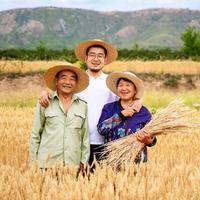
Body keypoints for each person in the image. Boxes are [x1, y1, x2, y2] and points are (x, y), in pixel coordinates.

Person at [39, 39, 142, 168]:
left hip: (107, 143)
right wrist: (45, 91)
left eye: (100, 56)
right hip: (78, 143)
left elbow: (129, 96)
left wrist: (139, 100)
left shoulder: (112, 83)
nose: (96, 59)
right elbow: (60, 92)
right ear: (86, 58)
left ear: (105, 59)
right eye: (92, 55)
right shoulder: (77, 82)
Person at [29, 62, 90, 172]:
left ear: (76, 83)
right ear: (57, 81)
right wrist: (33, 162)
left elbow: (85, 137)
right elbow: (35, 134)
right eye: (63, 78)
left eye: (72, 79)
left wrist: (84, 161)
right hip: (47, 164)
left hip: (72, 165)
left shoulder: (82, 105)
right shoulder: (45, 102)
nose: (67, 82)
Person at [97, 72, 157, 163]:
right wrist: (121, 115)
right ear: (117, 89)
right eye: (120, 85)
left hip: (136, 162)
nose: (124, 88)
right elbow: (101, 130)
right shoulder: (109, 108)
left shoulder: (144, 112)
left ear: (135, 90)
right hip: (112, 161)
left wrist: (149, 140)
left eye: (128, 85)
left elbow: (153, 139)